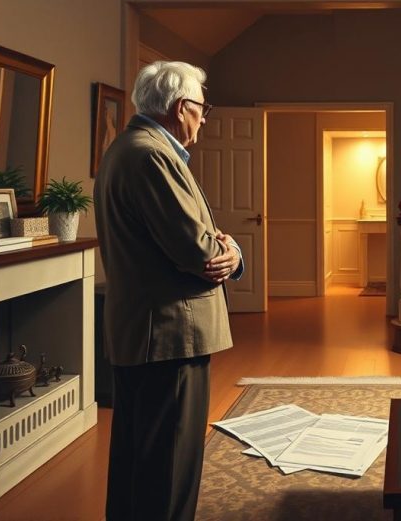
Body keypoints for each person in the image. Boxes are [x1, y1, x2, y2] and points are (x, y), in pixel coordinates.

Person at [95, 61, 243, 521]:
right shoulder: (152, 155)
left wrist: (224, 246)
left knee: (136, 459)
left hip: (142, 331)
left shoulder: (127, 148)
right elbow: (201, 252)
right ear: (182, 108)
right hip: (170, 335)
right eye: (203, 108)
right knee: (170, 465)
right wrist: (232, 249)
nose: (204, 118)